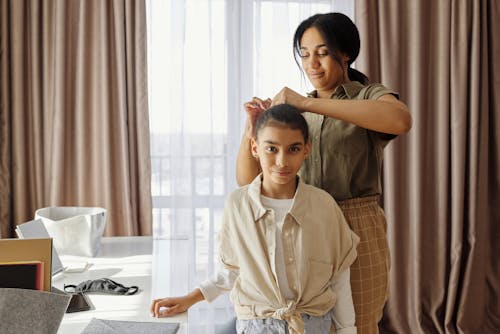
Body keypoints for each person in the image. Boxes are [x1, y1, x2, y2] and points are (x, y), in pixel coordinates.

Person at [236, 12, 412, 334]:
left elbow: (400, 120)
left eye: (322, 52)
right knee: (310, 324)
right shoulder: (294, 112)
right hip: (304, 223)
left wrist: (308, 104)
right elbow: (249, 181)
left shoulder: (367, 95)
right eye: (304, 54)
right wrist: (252, 128)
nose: (312, 64)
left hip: (356, 223)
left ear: (345, 53)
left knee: (358, 324)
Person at [151, 104, 360, 334]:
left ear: (306, 150)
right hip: (256, 327)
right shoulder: (238, 205)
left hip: (313, 325)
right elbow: (231, 271)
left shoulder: (324, 206)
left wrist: (347, 330)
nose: (282, 161)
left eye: (293, 149)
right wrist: (189, 299)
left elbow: (339, 279)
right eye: (272, 149)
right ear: (255, 147)